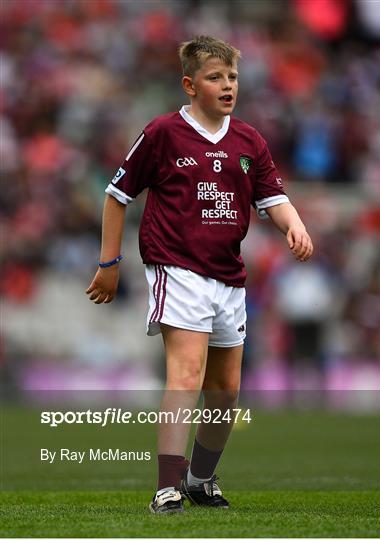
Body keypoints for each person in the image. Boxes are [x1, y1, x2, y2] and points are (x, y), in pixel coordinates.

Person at [86, 35, 313, 514]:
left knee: (226, 390)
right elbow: (116, 196)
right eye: (215, 77)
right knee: (185, 374)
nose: (227, 85)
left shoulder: (250, 140)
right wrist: (109, 265)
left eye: (232, 76)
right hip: (177, 266)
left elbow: (272, 197)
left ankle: (200, 478)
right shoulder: (164, 133)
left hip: (229, 275)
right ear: (190, 85)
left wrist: (296, 226)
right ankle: (165, 485)